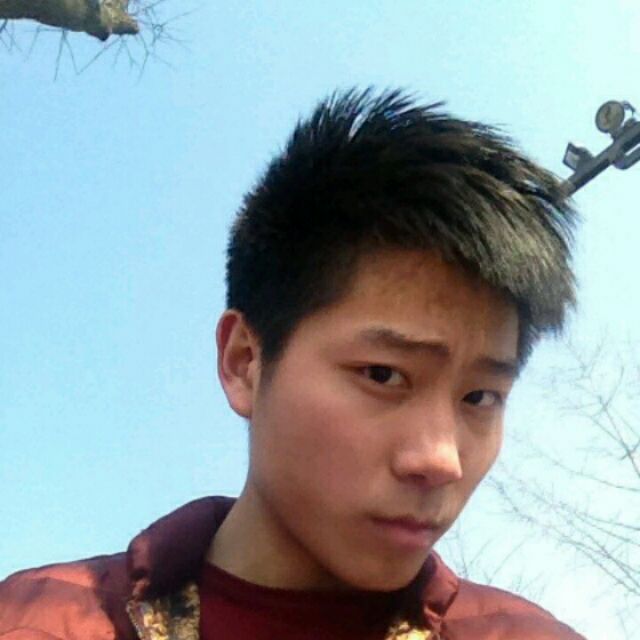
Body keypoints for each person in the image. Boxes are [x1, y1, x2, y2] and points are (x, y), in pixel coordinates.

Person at [0, 88, 585, 640]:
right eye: (383, 375)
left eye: (480, 397)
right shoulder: (37, 620)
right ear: (244, 362)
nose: (441, 460)